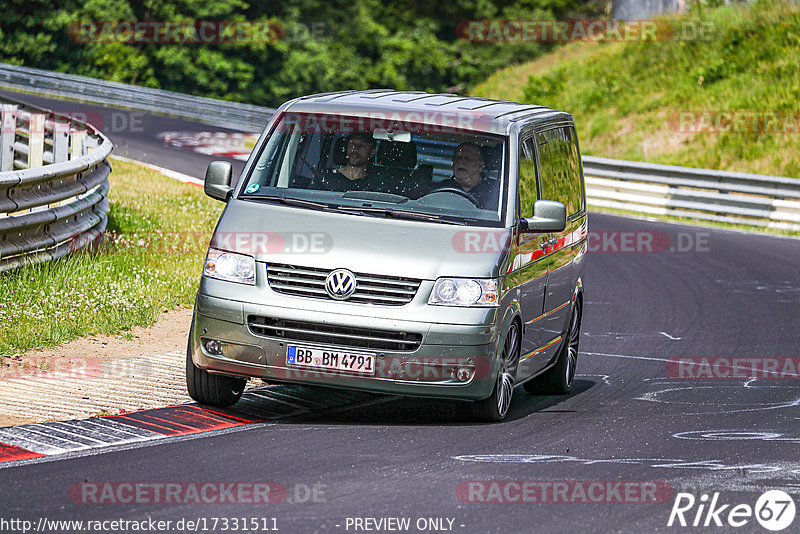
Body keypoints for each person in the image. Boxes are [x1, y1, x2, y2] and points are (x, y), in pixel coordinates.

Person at [434, 142, 499, 210]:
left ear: (480, 166)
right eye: (457, 157)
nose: (460, 161)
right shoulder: (442, 188)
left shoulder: (495, 191)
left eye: (468, 158)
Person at [312, 133, 379, 192]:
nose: (355, 148)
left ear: (372, 152)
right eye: (352, 144)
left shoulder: (375, 186)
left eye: (362, 146)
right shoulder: (324, 178)